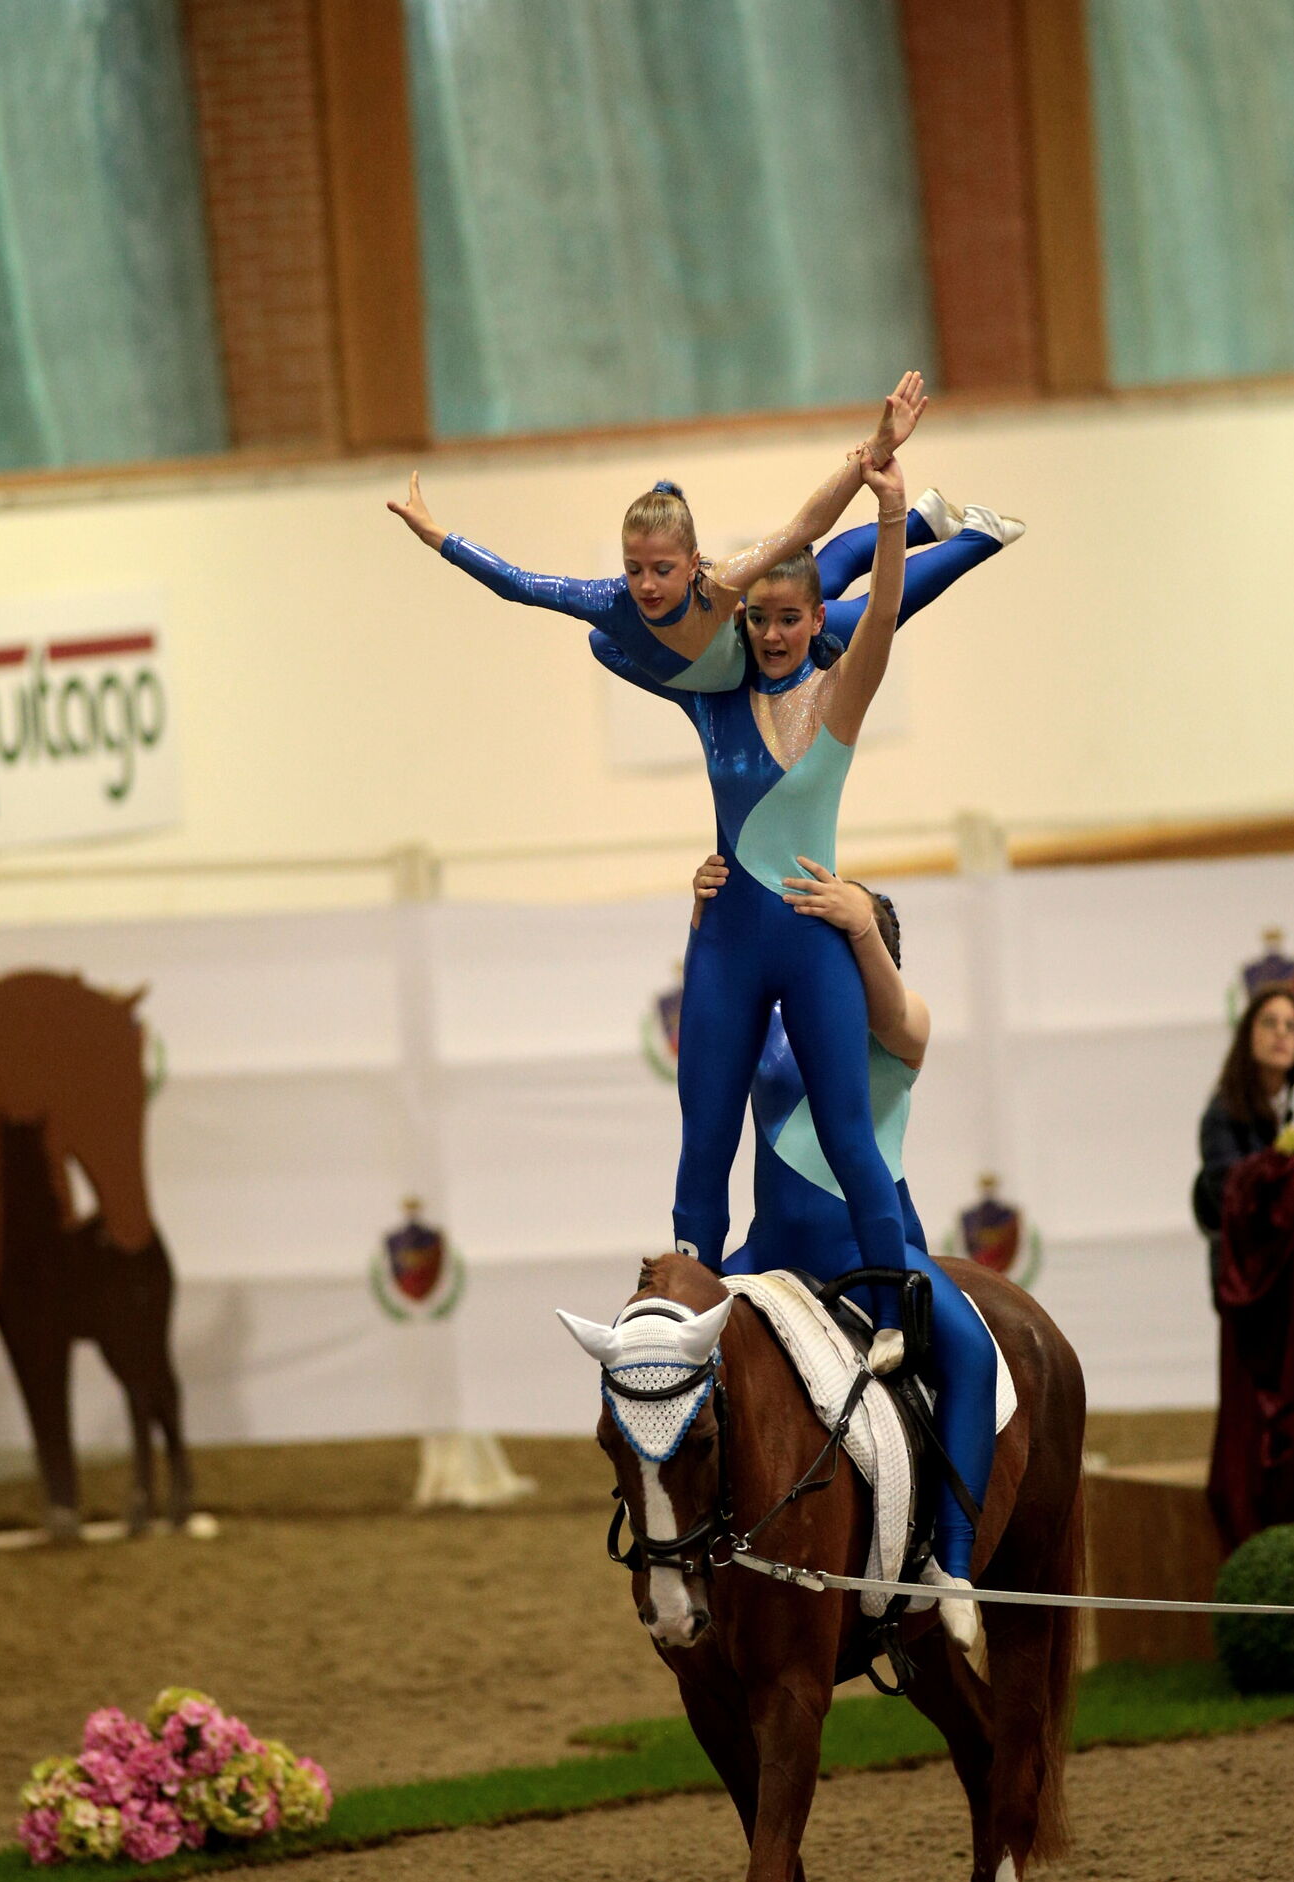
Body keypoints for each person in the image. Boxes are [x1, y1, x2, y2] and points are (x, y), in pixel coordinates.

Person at [592, 454, 916, 1367]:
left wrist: (891, 514)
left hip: (814, 935)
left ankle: (892, 1315)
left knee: (850, 1129)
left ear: (819, 622)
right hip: (729, 934)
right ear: (742, 620)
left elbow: (885, 613)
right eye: (760, 619)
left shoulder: (840, 698)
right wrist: (684, 589)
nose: (774, 637)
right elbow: (611, 643)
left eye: (790, 620)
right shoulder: (714, 697)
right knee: (704, 1139)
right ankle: (685, 1314)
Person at [698, 854, 996, 1593]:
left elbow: (894, 1016)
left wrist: (858, 922)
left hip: (872, 1250)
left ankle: (951, 1562)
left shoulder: (903, 1019)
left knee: (975, 1359)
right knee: (674, 1350)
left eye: (833, 925)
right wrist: (707, 919)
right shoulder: (769, 1020)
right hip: (770, 1249)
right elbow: (712, 1022)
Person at [388, 373, 1016, 692]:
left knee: (848, 598)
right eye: (635, 569)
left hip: (755, 645)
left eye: (662, 570)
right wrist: (436, 534)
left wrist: (874, 449)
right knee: (601, 645)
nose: (645, 584)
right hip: (721, 681)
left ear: (692, 564)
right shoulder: (607, 602)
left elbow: (806, 523)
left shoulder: (719, 586)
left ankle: (973, 534)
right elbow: (518, 584)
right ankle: (925, 521)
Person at [1192, 985, 1294, 1293]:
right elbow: (1230, 1193)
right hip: (1248, 1269)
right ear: (1249, 1034)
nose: (1281, 1033)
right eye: (1270, 1023)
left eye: (1291, 1026)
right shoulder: (1222, 1113)